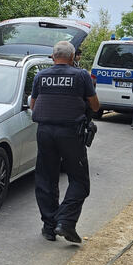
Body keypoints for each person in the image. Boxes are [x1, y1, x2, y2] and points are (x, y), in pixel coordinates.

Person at [30, 40, 100, 244]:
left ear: (53, 57)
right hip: (71, 133)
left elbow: (33, 105)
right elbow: (95, 106)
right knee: (79, 181)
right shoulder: (80, 75)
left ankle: (49, 227)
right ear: (71, 58)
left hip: (44, 132)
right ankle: (66, 221)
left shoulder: (41, 76)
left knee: (46, 180)